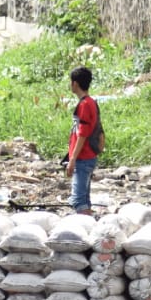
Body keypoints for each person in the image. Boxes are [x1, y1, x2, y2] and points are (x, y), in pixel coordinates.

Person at [66, 66, 100, 215]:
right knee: (84, 199)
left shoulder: (85, 105)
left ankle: (84, 230)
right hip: (87, 156)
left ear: (75, 84)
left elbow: (83, 134)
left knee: (79, 201)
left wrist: (72, 159)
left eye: (71, 82)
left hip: (83, 157)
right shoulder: (90, 102)